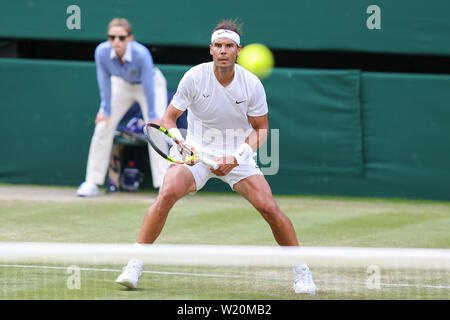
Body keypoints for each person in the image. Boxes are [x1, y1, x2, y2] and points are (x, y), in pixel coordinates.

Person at [115, 19, 316, 294]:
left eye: (229, 46)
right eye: (218, 45)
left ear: (238, 51)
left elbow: (261, 129)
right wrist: (184, 145)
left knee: (269, 208)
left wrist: (236, 158)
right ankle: (134, 266)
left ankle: (302, 272)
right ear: (211, 49)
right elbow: (169, 119)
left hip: (238, 155)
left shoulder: (252, 85)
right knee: (166, 194)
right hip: (196, 152)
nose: (223, 50)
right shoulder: (195, 77)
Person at [77, 18, 168, 197]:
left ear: (130, 38)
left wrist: (152, 115)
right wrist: (106, 109)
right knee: (103, 125)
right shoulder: (102, 52)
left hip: (149, 85)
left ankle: (164, 183)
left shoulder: (141, 54)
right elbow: (104, 80)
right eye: (112, 37)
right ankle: (92, 182)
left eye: (121, 37)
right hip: (121, 84)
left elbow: (148, 85)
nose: (116, 42)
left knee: (155, 128)